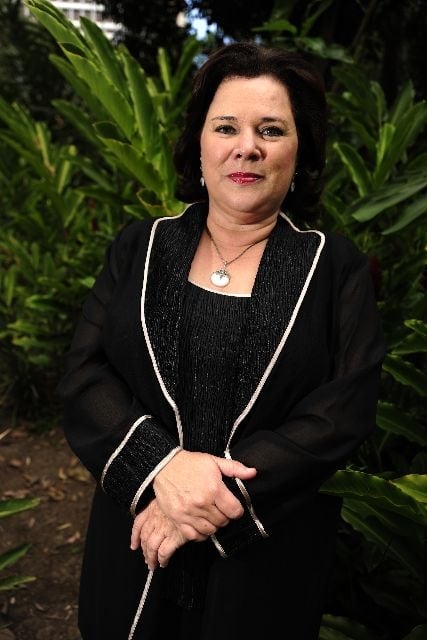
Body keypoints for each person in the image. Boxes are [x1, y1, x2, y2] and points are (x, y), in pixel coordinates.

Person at [57, 42, 385, 640]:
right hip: (137, 541)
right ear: (200, 144)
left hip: (266, 554)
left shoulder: (334, 269)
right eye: (226, 126)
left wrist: (208, 501)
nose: (247, 146)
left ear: (300, 151)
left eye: (271, 130)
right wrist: (160, 470)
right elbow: (85, 374)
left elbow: (342, 411)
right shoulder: (140, 247)